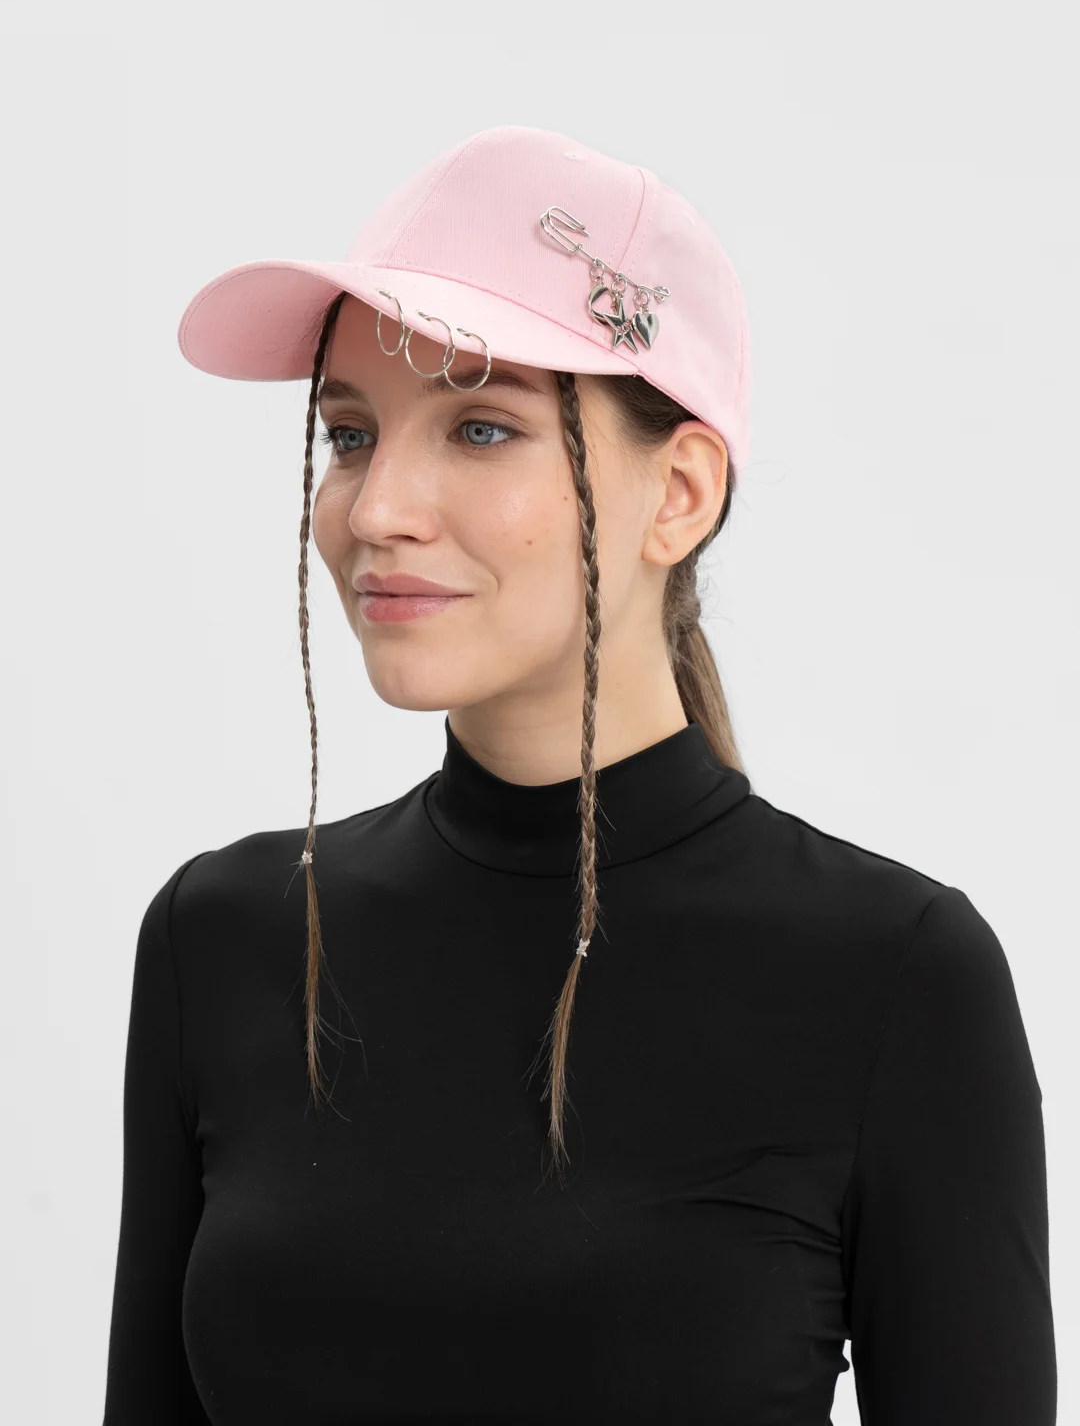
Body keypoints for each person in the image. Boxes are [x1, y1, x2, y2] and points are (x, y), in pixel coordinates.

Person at [101, 125, 1056, 1424]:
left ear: (680, 493)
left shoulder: (894, 974)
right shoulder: (221, 936)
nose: (376, 509)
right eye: (351, 434)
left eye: (481, 427)